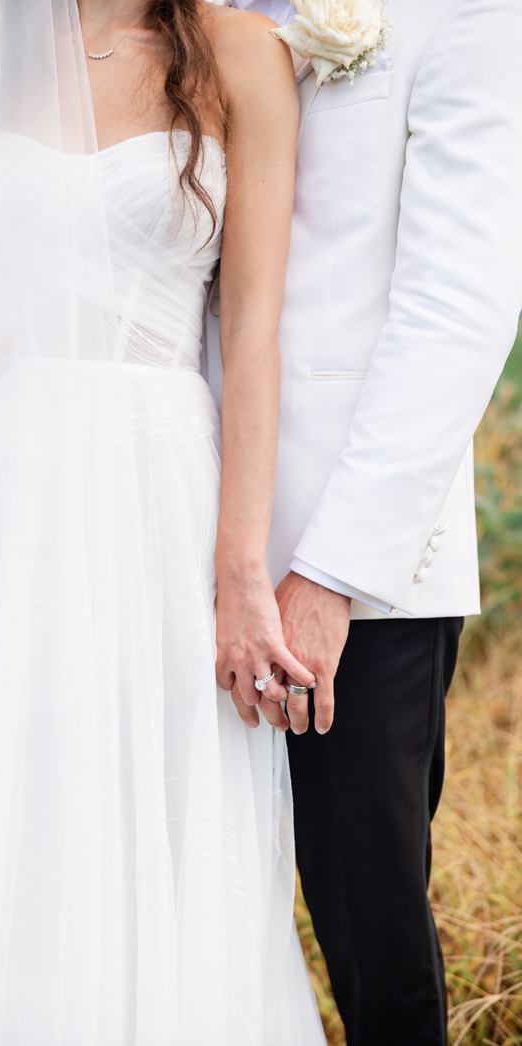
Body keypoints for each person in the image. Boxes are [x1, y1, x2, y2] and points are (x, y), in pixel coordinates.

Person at [0, 0, 326, 1039]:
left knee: (149, 787)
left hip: (155, 479)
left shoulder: (242, 52)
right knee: (2, 788)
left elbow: (251, 331)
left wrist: (239, 569)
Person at [220, 0, 522, 1040]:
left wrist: (332, 568)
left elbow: (457, 303)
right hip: (166, 525)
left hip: (344, 569)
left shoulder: (462, 13)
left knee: (365, 925)